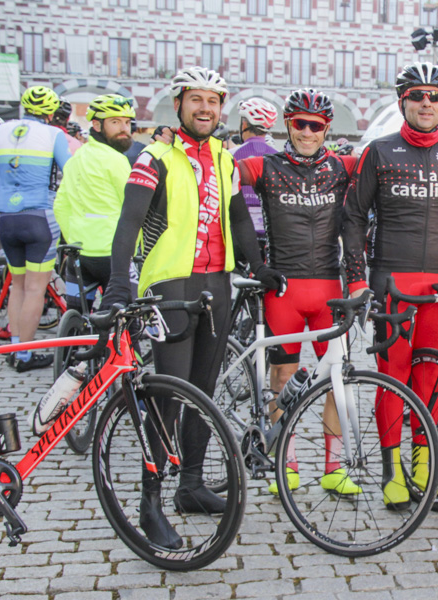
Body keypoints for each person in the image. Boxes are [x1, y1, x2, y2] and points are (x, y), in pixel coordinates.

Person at [101, 66, 280, 549]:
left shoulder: (224, 156)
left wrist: (258, 266)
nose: (206, 108)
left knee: (204, 390)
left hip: (217, 287)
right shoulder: (154, 157)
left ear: (223, 109)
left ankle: (192, 486)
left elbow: (238, 215)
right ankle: (150, 503)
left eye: (214, 100)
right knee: (167, 394)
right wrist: (120, 282)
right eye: (196, 99)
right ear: (178, 104)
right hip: (171, 286)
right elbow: (129, 222)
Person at [341, 62, 438, 509]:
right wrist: (355, 278)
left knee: (429, 379)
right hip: (394, 283)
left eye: (433, 96)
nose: (426, 103)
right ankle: (392, 475)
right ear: (402, 102)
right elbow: (352, 216)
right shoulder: (379, 151)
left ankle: (423, 471)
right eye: (416, 96)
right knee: (394, 379)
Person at [238, 89, 361, 497]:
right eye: (300, 124)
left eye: (317, 126)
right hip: (284, 289)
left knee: (336, 381)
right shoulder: (264, 166)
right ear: (286, 125)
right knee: (283, 377)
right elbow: (216, 171)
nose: (308, 133)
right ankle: (284, 462)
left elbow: (390, 165)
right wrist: (254, 262)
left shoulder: (343, 166)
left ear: (327, 129)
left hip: (329, 287)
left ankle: (334, 468)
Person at [0, 86, 71, 371]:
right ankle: (25, 355)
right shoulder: (53, 134)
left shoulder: (0, 131)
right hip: (40, 217)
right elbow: (70, 172)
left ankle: (14, 347)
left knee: (18, 286)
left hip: (6, 217)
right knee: (36, 288)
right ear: (51, 113)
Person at [53, 94, 137, 312]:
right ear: (97, 125)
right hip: (113, 253)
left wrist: (74, 236)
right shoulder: (116, 160)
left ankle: (74, 343)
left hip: (79, 253)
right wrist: (139, 246)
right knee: (127, 317)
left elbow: (60, 206)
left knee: (76, 314)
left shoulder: (76, 158)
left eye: (127, 122)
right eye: (115, 122)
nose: (124, 129)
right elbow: (133, 207)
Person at [232, 97, 280, 254]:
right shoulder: (278, 157)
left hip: (237, 234)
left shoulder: (231, 155)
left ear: (244, 124)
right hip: (271, 234)